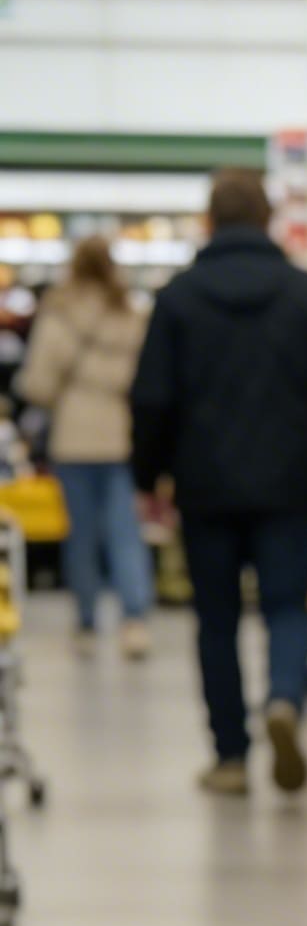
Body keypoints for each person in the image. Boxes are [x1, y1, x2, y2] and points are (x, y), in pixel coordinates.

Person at [130, 168, 307, 796]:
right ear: (268, 221)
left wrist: (147, 478)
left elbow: (151, 398)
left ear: (209, 223)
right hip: (289, 482)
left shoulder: (177, 299)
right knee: (287, 605)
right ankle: (285, 699)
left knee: (216, 621)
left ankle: (230, 757)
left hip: (204, 486)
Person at [18, 235, 152, 656]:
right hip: (119, 435)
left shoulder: (60, 314)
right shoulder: (129, 314)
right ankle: (135, 620)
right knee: (125, 533)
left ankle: (87, 622)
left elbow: (37, 382)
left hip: (73, 437)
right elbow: (146, 380)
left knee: (81, 535)